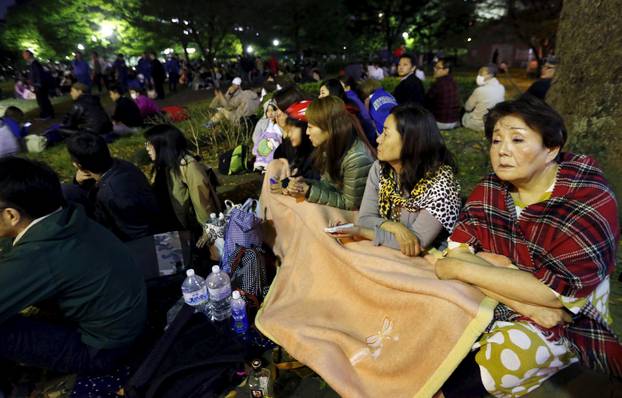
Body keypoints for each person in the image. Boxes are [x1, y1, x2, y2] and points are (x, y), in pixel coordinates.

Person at [434, 96, 622, 397]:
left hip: (572, 314)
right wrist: (524, 302)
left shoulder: (588, 199)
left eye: (517, 139)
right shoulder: (490, 189)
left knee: (488, 367)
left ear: (551, 148)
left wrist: (459, 267)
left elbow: (555, 295)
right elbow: (458, 249)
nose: (502, 151)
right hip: (515, 298)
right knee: (435, 330)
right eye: (496, 141)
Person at [0, 157, 147, 375]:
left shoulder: (40, 254)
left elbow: (29, 263)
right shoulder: (64, 216)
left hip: (102, 350)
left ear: (12, 215)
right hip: (126, 321)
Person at [328, 105, 461, 256]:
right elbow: (365, 218)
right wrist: (395, 227)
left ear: (410, 141)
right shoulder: (380, 169)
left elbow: (417, 242)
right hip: (388, 249)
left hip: (430, 254)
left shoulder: (442, 185)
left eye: (386, 133)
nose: (378, 139)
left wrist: (361, 231)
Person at [64, 133, 160, 241]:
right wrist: (78, 182)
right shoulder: (120, 165)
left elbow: (138, 233)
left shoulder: (112, 194)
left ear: (78, 165)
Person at [285, 96, 375, 210]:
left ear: (328, 128)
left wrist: (309, 191)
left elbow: (351, 204)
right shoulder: (330, 147)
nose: (307, 132)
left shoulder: (357, 158)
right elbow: (330, 186)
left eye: (310, 127)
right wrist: (305, 184)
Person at [144, 124, 221, 245]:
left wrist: (209, 228)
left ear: (163, 144)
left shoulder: (188, 165)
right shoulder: (161, 166)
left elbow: (203, 199)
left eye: (149, 144)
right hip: (167, 229)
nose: (147, 148)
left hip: (187, 231)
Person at [270, 86, 317, 181]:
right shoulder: (290, 139)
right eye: (275, 109)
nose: (276, 114)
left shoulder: (312, 141)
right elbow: (280, 152)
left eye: (280, 109)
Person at [319, 78, 377, 146]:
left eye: (323, 93)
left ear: (333, 93)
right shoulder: (349, 101)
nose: (319, 97)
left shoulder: (346, 112)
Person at [462, 65, 505, 132]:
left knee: (464, 116)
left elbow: (467, 108)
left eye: (481, 74)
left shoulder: (480, 90)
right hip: (494, 122)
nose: (478, 76)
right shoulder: (501, 88)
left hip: (479, 124)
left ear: (490, 75)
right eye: (478, 74)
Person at [425, 58, 461, 130]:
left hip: (440, 122)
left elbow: (426, 101)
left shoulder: (438, 84)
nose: (435, 69)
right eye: (435, 67)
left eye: (438, 68)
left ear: (446, 70)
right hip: (453, 122)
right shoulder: (454, 83)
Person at [22, 50, 54, 119]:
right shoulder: (32, 63)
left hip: (39, 85)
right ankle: (47, 113)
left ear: (29, 55)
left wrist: (38, 84)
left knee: (42, 100)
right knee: (42, 100)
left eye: (24, 54)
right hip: (38, 84)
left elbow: (39, 74)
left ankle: (47, 114)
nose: (23, 56)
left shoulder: (34, 63)